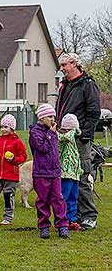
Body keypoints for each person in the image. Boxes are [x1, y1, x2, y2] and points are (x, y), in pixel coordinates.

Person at [56, 53, 101, 230]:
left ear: (75, 64)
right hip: (65, 139)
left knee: (81, 175)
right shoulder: (65, 86)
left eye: (64, 65)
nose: (62, 69)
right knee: (67, 176)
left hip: (79, 139)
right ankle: (75, 215)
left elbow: (94, 112)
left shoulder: (87, 85)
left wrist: (85, 134)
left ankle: (89, 215)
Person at [29, 104, 69, 239]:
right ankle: (44, 226)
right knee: (43, 200)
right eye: (49, 116)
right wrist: (51, 134)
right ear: (41, 117)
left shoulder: (52, 131)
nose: (53, 119)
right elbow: (43, 147)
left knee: (58, 199)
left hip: (54, 172)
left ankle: (62, 225)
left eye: (53, 116)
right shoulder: (35, 133)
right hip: (41, 172)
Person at [58, 114, 83, 231]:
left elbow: (75, 156)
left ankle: (72, 220)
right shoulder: (63, 137)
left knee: (74, 198)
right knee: (64, 198)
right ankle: (63, 220)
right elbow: (65, 138)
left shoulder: (72, 139)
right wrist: (73, 131)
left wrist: (79, 169)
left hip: (75, 173)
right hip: (66, 173)